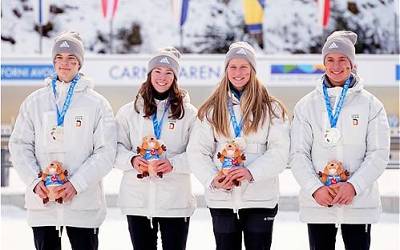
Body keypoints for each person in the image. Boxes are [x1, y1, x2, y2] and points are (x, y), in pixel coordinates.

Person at [8, 31, 117, 250]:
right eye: (59, 58)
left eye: (71, 59)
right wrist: (35, 182)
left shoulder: (96, 103)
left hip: (82, 205)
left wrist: (76, 184)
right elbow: (19, 145)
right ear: (53, 61)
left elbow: (106, 152)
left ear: (80, 64)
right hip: (43, 204)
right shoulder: (34, 102)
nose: (64, 63)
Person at [289, 30, 390, 250]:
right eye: (330, 60)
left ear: (352, 64)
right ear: (324, 64)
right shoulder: (307, 105)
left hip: (358, 202)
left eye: (342, 60)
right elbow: (297, 154)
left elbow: (378, 153)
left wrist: (353, 186)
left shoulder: (371, 105)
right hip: (319, 203)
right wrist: (315, 189)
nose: (336, 66)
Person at [187, 41, 290, 250]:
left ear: (253, 70)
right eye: (232, 67)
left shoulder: (272, 108)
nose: (238, 72)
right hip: (222, 199)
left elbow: (280, 152)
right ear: (226, 70)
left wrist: (250, 173)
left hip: (260, 199)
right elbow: (197, 152)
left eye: (244, 67)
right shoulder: (211, 109)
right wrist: (212, 179)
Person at [114, 47, 197, 250]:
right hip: (138, 201)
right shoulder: (129, 112)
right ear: (149, 74)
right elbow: (113, 148)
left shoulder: (189, 114)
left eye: (169, 72)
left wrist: (173, 164)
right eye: (157, 71)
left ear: (175, 77)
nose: (162, 77)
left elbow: (199, 153)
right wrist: (132, 160)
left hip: (175, 202)